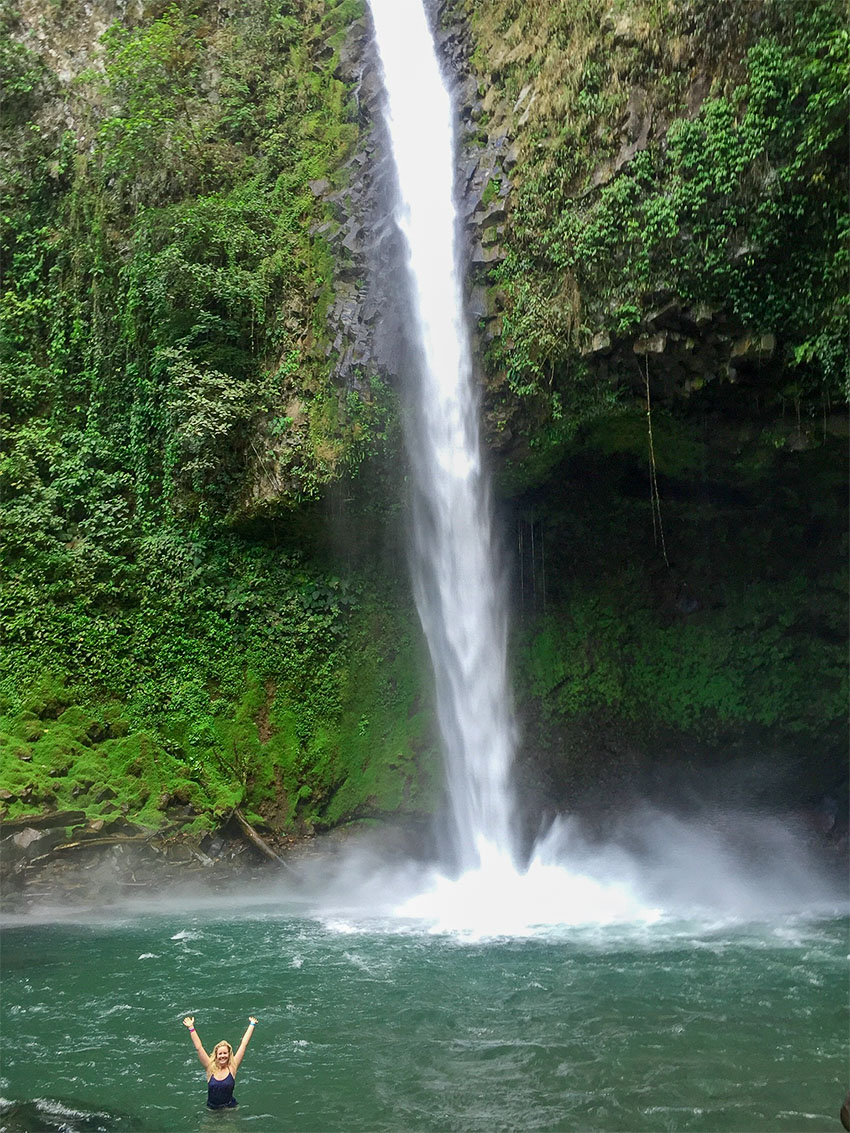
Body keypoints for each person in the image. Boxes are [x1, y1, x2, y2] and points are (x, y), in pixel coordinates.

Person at [183, 1015, 258, 1109]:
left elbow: (244, 1044)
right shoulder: (210, 1067)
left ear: (229, 1054)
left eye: (225, 1053)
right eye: (220, 1054)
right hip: (212, 1109)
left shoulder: (232, 1066)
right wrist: (191, 1028)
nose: (223, 1056)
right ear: (216, 1055)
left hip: (229, 1108)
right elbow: (199, 1047)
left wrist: (251, 1024)